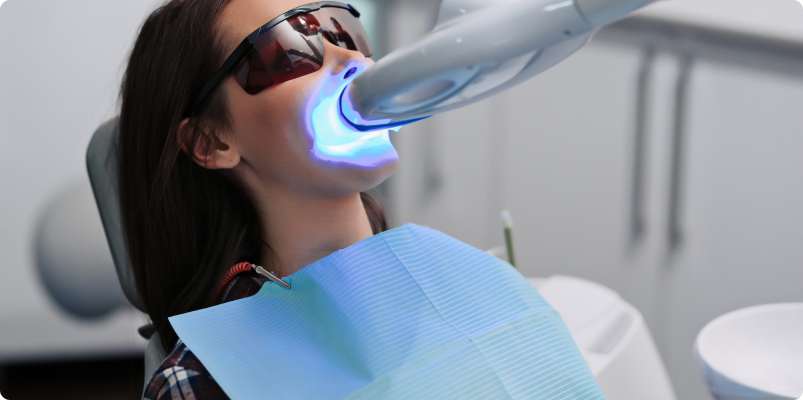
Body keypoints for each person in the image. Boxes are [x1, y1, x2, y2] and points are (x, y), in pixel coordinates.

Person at [118, 0, 394, 398]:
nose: (353, 58)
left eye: (345, 31)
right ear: (210, 141)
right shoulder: (201, 383)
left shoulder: (460, 280)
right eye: (289, 52)